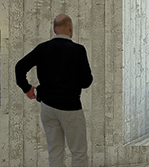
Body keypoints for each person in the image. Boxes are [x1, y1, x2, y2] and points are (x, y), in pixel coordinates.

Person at [16, 14, 93, 166]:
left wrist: (27, 88)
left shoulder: (43, 48)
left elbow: (20, 67)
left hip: (48, 107)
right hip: (70, 107)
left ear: (54, 29)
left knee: (55, 151)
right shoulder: (78, 50)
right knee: (78, 152)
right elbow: (86, 82)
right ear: (70, 28)